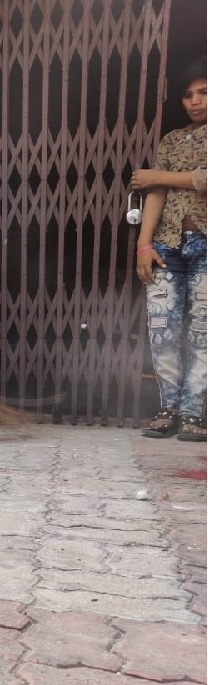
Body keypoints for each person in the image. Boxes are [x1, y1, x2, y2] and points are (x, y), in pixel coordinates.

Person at [131, 57, 206, 442]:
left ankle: (195, 413)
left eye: (203, 92)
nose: (195, 101)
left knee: (203, 331)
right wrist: (144, 244)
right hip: (167, 246)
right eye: (188, 94)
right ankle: (169, 408)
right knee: (161, 328)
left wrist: (157, 175)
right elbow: (154, 193)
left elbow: (159, 179)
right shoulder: (173, 140)